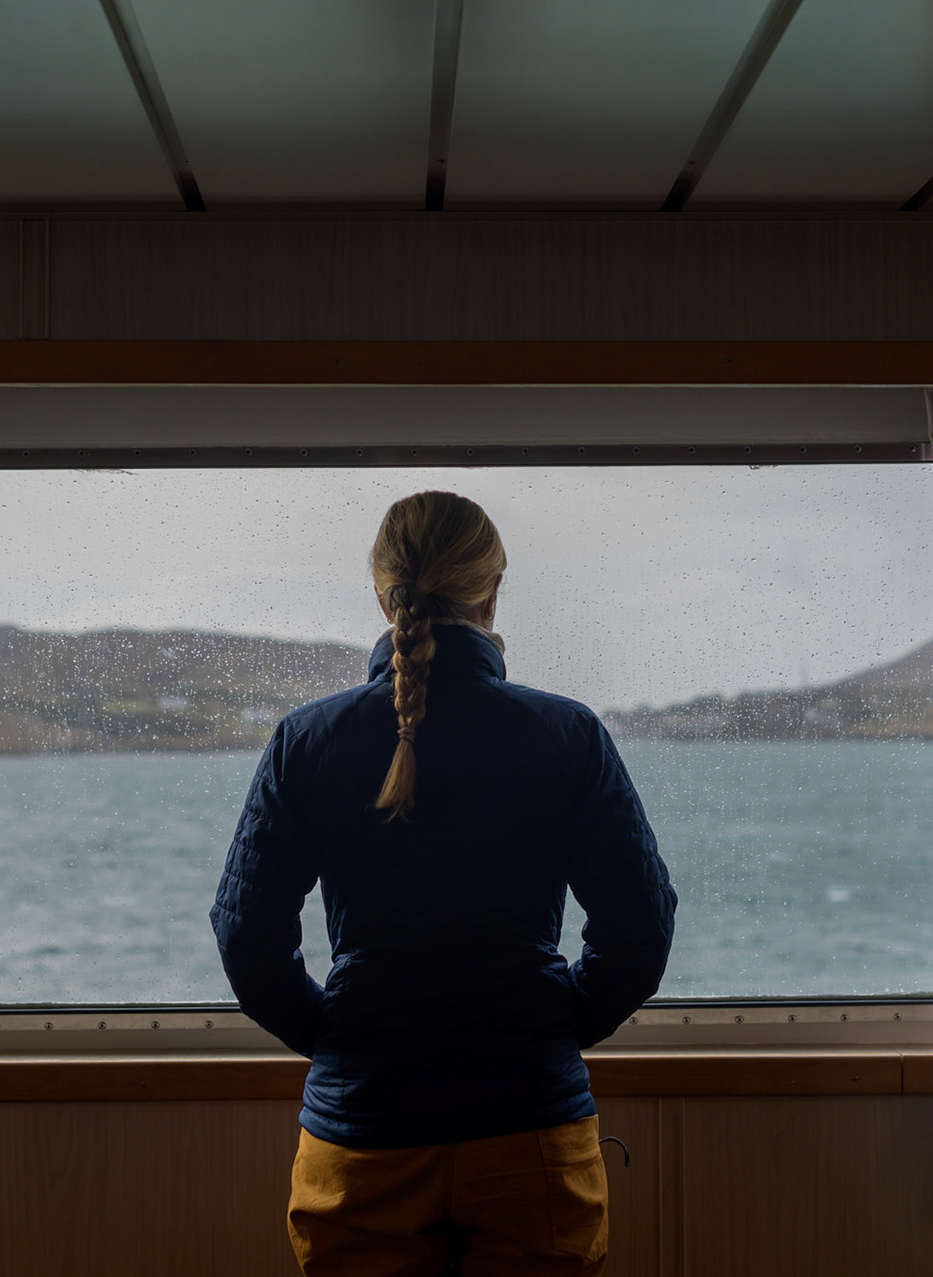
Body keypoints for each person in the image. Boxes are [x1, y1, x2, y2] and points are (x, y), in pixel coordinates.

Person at [210, 490, 677, 1276]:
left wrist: (340, 1035)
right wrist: (549, 1022)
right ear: (491, 593)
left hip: (362, 1133)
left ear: (381, 594)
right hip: (530, 1124)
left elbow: (246, 936)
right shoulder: (568, 736)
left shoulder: (306, 741)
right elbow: (640, 928)